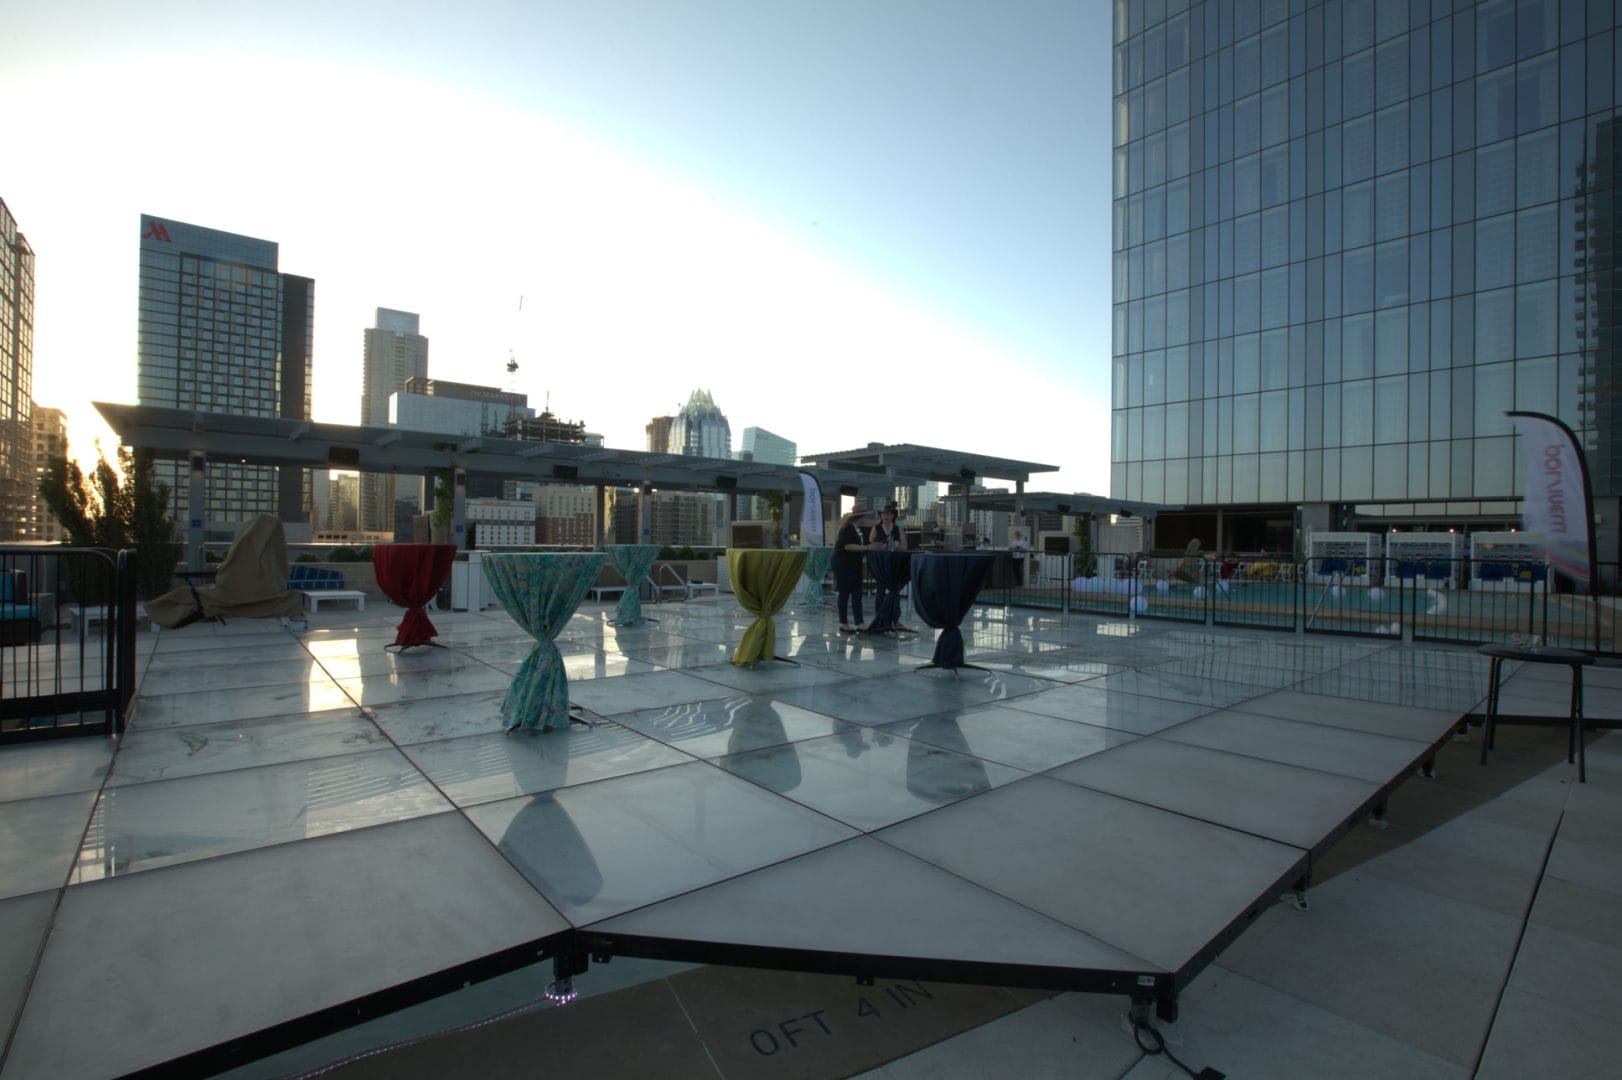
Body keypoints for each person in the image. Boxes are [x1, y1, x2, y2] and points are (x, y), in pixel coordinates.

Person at [867, 503, 912, 632]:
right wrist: (881, 546)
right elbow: (871, 543)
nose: (886, 516)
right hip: (881, 563)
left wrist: (895, 546)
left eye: (888, 514)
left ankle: (895, 619)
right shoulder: (876, 528)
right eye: (883, 514)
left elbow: (904, 547)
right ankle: (879, 616)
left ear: (893, 515)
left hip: (894, 564)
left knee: (895, 590)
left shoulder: (898, 529)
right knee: (880, 590)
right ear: (881, 515)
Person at [831, 509, 875, 633]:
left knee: (857, 595)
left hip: (854, 566)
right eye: (865, 517)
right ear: (859, 517)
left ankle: (859, 623)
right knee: (844, 594)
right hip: (844, 566)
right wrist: (866, 547)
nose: (866, 520)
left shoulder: (856, 529)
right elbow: (848, 546)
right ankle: (843, 623)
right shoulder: (847, 529)